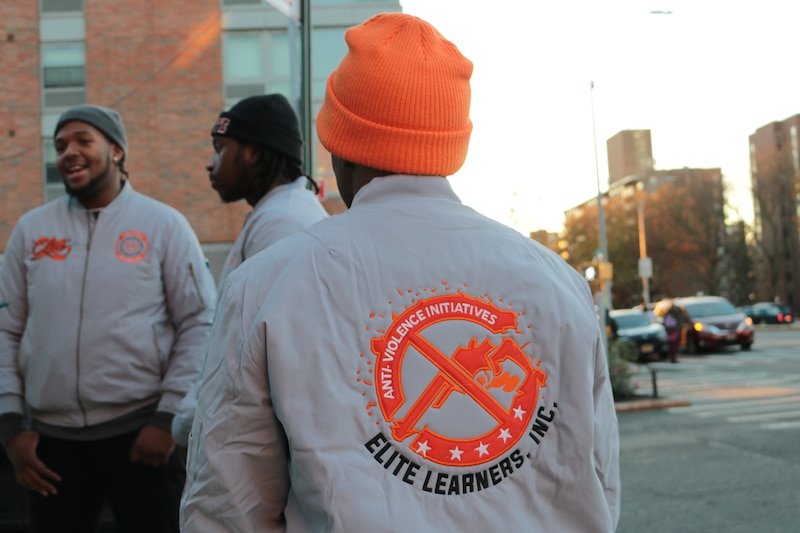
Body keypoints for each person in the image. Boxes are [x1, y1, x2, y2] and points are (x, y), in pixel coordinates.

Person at [180, 12, 620, 532]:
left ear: (339, 143)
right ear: (452, 143)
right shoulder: (559, 282)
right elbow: (597, 480)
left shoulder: (267, 283)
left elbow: (227, 507)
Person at [0, 104, 216, 532]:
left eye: (83, 140)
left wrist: (166, 417)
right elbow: (6, 329)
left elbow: (200, 322)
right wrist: (9, 427)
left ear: (116, 151)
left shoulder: (163, 225)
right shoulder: (32, 231)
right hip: (51, 447)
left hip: (141, 439)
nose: (68, 153)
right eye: (60, 145)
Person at [170, 93, 328, 446]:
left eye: (220, 148)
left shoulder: (283, 221)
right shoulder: (277, 212)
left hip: (263, 446)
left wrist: (187, 423)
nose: (210, 164)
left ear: (252, 152)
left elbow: (246, 350)